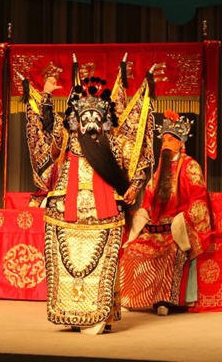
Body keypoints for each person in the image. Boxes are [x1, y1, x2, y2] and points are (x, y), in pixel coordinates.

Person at [23, 56, 154, 334]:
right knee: (67, 263)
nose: (90, 122)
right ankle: (72, 313)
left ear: (104, 121)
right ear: (76, 120)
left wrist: (134, 186)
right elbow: (46, 130)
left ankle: (100, 315)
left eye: (96, 118)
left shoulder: (113, 143)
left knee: (102, 264)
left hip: (104, 209)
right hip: (65, 208)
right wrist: (46, 95)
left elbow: (137, 157)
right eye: (85, 118)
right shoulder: (67, 137)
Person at [119, 110, 212, 315]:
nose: (165, 144)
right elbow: (149, 196)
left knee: (170, 252)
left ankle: (164, 300)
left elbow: (199, 200)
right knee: (132, 249)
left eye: (170, 140)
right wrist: (143, 212)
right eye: (163, 141)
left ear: (181, 143)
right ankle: (128, 298)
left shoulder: (190, 167)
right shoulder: (161, 167)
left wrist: (183, 220)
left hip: (178, 229)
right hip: (155, 228)